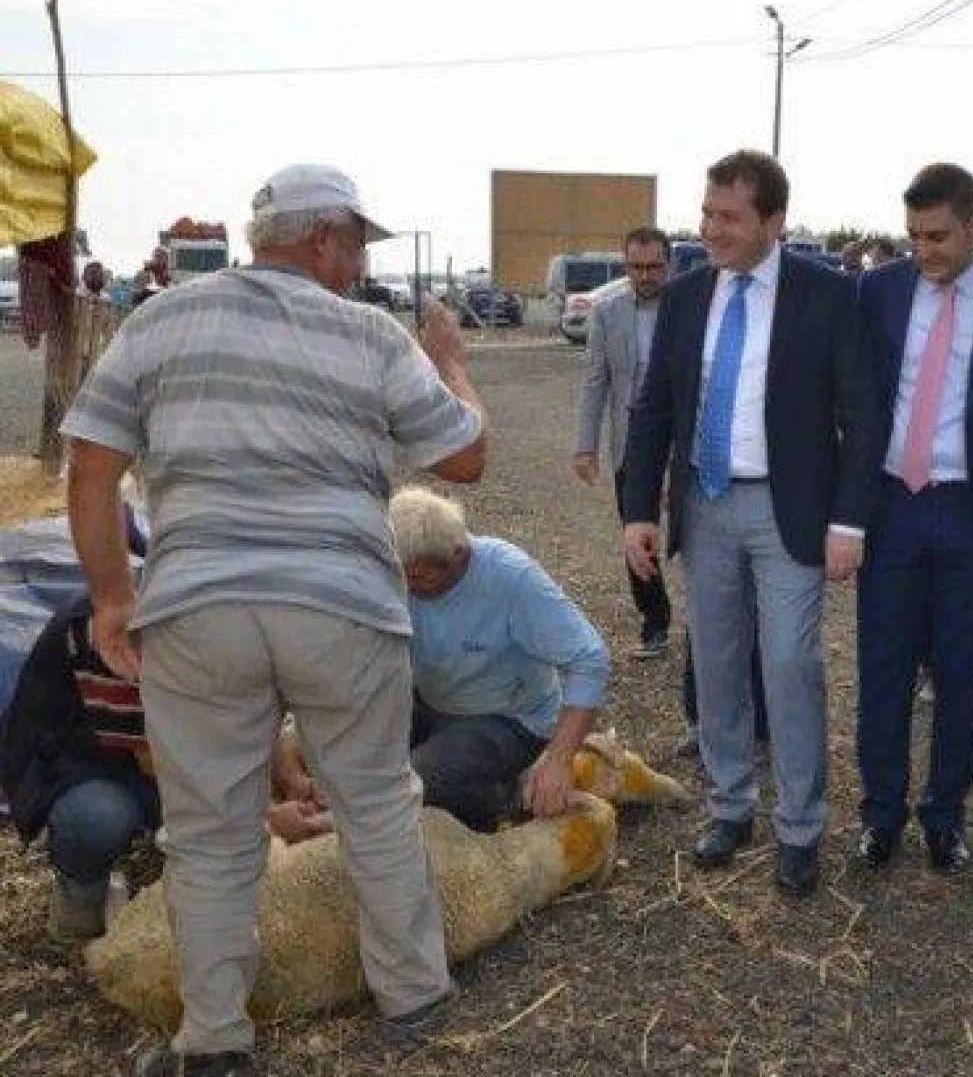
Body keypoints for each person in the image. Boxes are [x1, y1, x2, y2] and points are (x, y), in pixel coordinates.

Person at [61, 163, 486, 1076]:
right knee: (374, 802)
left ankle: (214, 1036)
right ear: (323, 238)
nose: (359, 262)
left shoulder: (162, 318)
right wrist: (452, 364)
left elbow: (91, 468)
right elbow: (465, 458)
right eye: (356, 244)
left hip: (198, 602)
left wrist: (110, 595)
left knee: (210, 828)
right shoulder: (371, 334)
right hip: (341, 602)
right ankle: (413, 994)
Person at [620, 149, 887, 898]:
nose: (711, 229)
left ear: (773, 220)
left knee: (791, 663)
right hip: (704, 506)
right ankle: (730, 804)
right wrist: (637, 509)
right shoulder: (685, 295)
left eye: (729, 217)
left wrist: (851, 523)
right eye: (707, 213)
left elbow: (862, 419)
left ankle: (799, 827)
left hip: (788, 510)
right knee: (716, 660)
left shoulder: (829, 297)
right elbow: (653, 412)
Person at [853, 163, 973, 875]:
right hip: (894, 508)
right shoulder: (877, 292)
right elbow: (857, 402)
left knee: (963, 672)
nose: (924, 251)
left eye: (937, 236)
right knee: (883, 669)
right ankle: (879, 815)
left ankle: (945, 815)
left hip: (972, 512)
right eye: (912, 236)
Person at [0, 596, 331, 943]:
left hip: (163, 747)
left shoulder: (233, 622)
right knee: (98, 819)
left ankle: (184, 859)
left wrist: (291, 779)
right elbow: (163, 760)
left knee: (210, 809)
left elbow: (250, 718)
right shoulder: (118, 630)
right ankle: (81, 896)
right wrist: (261, 824)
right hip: (83, 756)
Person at [391, 487, 608, 833]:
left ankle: (509, 797)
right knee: (356, 765)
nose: (405, 586)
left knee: (420, 782)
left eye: (416, 577)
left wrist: (559, 759)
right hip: (430, 699)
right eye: (399, 574)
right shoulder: (396, 574)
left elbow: (589, 658)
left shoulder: (510, 577)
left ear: (456, 555)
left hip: (508, 718)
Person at [574, 227, 676, 659]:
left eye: (654, 266)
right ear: (625, 265)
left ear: (668, 265)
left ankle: (717, 621)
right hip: (631, 446)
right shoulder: (607, 313)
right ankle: (655, 620)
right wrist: (585, 445)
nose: (646, 275)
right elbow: (595, 382)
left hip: (686, 443)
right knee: (637, 535)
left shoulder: (690, 307)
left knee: (699, 536)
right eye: (636, 267)